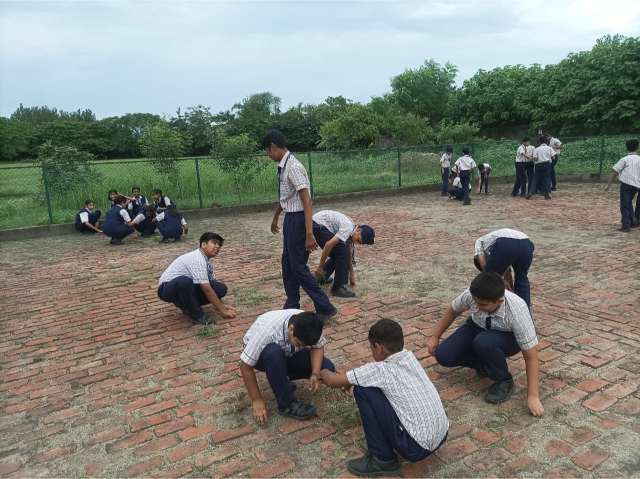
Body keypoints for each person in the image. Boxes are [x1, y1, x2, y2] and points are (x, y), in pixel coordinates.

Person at [320, 319, 449, 477]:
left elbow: (332, 381)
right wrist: (350, 380)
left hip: (416, 448)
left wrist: (322, 370)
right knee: (369, 385)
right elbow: (366, 377)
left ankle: (382, 459)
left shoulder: (380, 370)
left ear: (379, 347)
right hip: (441, 434)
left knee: (363, 391)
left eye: (371, 347)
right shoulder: (409, 357)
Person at [428, 272, 544, 417]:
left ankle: (503, 379)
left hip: (508, 337)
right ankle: (485, 366)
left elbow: (531, 357)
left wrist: (533, 396)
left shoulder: (517, 309)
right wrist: (435, 336)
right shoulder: (473, 294)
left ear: (499, 301)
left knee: (483, 342)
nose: (477, 306)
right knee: (443, 355)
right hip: (477, 325)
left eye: (483, 304)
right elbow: (452, 311)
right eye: (475, 302)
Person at [263, 129, 337, 323]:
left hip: (298, 220)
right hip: (291, 219)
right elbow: (287, 197)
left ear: (273, 147)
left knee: (298, 267)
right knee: (288, 264)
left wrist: (309, 233)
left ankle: (325, 306)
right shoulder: (284, 165)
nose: (268, 155)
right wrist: (276, 217)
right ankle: (292, 303)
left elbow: (306, 201)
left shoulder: (294, 166)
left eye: (267, 151)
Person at [239, 309, 335, 423]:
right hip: (264, 358)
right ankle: (287, 404)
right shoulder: (267, 332)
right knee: (273, 353)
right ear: (291, 329)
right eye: (299, 343)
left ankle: (282, 381)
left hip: (288, 353)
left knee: (327, 367)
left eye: (304, 346)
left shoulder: (312, 325)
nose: (300, 347)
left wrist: (315, 373)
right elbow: (245, 366)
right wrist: (256, 399)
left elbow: (317, 347)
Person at [157, 232, 237, 325]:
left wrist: (220, 305)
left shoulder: (206, 261)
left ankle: (187, 306)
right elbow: (206, 289)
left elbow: (210, 286)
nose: (217, 246)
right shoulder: (197, 259)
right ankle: (197, 316)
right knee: (184, 281)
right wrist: (223, 311)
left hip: (184, 286)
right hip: (166, 289)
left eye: (219, 245)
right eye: (214, 243)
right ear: (203, 244)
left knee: (220, 288)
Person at [312, 210, 375, 298]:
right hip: (317, 224)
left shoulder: (351, 232)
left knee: (340, 252)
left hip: (319, 224)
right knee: (341, 250)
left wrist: (352, 276)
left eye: (359, 243)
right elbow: (328, 245)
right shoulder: (348, 228)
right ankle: (338, 287)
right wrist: (320, 267)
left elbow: (348, 255)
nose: (356, 242)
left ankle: (321, 278)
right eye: (358, 240)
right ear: (358, 230)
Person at [473, 228, 534, 307]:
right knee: (522, 278)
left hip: (506, 243)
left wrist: (488, 275)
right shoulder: (492, 246)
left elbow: (485, 268)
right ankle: (524, 308)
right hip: (526, 243)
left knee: (488, 279)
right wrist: (510, 290)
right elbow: (507, 273)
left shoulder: (479, 242)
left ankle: (495, 306)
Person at [603, 139, 640, 232]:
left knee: (624, 205)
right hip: (637, 185)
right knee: (629, 203)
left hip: (626, 185)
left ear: (626, 148)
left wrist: (608, 185)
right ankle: (633, 222)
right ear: (637, 148)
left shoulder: (624, 159)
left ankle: (626, 226)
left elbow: (614, 172)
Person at [526, 136, 555, 200]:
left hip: (538, 165)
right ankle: (546, 195)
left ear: (540, 142)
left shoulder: (537, 149)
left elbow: (535, 158)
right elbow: (553, 157)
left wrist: (535, 159)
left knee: (535, 179)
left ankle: (531, 192)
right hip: (547, 164)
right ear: (547, 141)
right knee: (546, 179)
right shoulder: (549, 148)